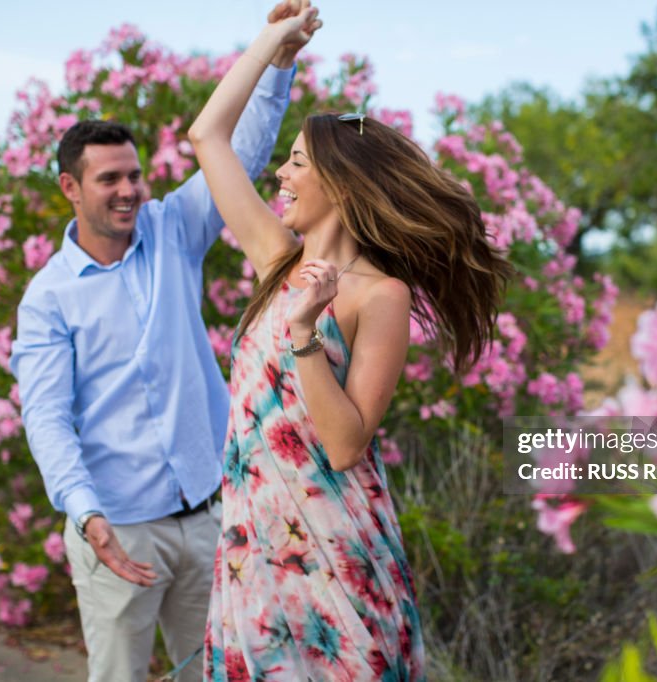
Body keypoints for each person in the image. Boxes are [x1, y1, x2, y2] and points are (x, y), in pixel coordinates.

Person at [187, 3, 514, 680]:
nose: (278, 173)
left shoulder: (380, 296)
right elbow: (207, 137)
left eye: (296, 162)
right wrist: (274, 47)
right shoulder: (277, 258)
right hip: (253, 542)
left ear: (338, 181)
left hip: (335, 550)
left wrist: (305, 332)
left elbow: (344, 443)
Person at [8, 5, 319, 680]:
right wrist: (87, 517)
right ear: (70, 188)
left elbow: (240, 156)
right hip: (118, 528)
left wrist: (280, 62)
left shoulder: (173, 228)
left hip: (210, 516)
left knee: (217, 670)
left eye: (133, 175)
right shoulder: (49, 299)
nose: (128, 191)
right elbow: (47, 417)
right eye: (108, 180)